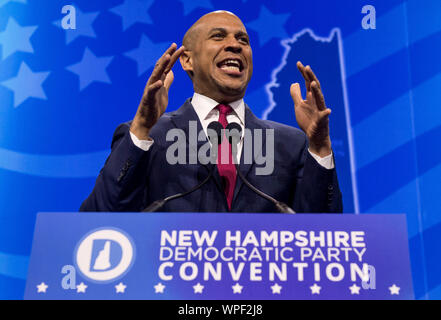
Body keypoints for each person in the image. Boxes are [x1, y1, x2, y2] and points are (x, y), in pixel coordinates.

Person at [80, 11, 342, 213]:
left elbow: (323, 235)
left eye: (243, 40)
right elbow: (100, 217)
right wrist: (140, 128)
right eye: (219, 36)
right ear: (187, 60)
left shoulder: (290, 144)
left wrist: (320, 149)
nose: (235, 45)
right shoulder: (149, 137)